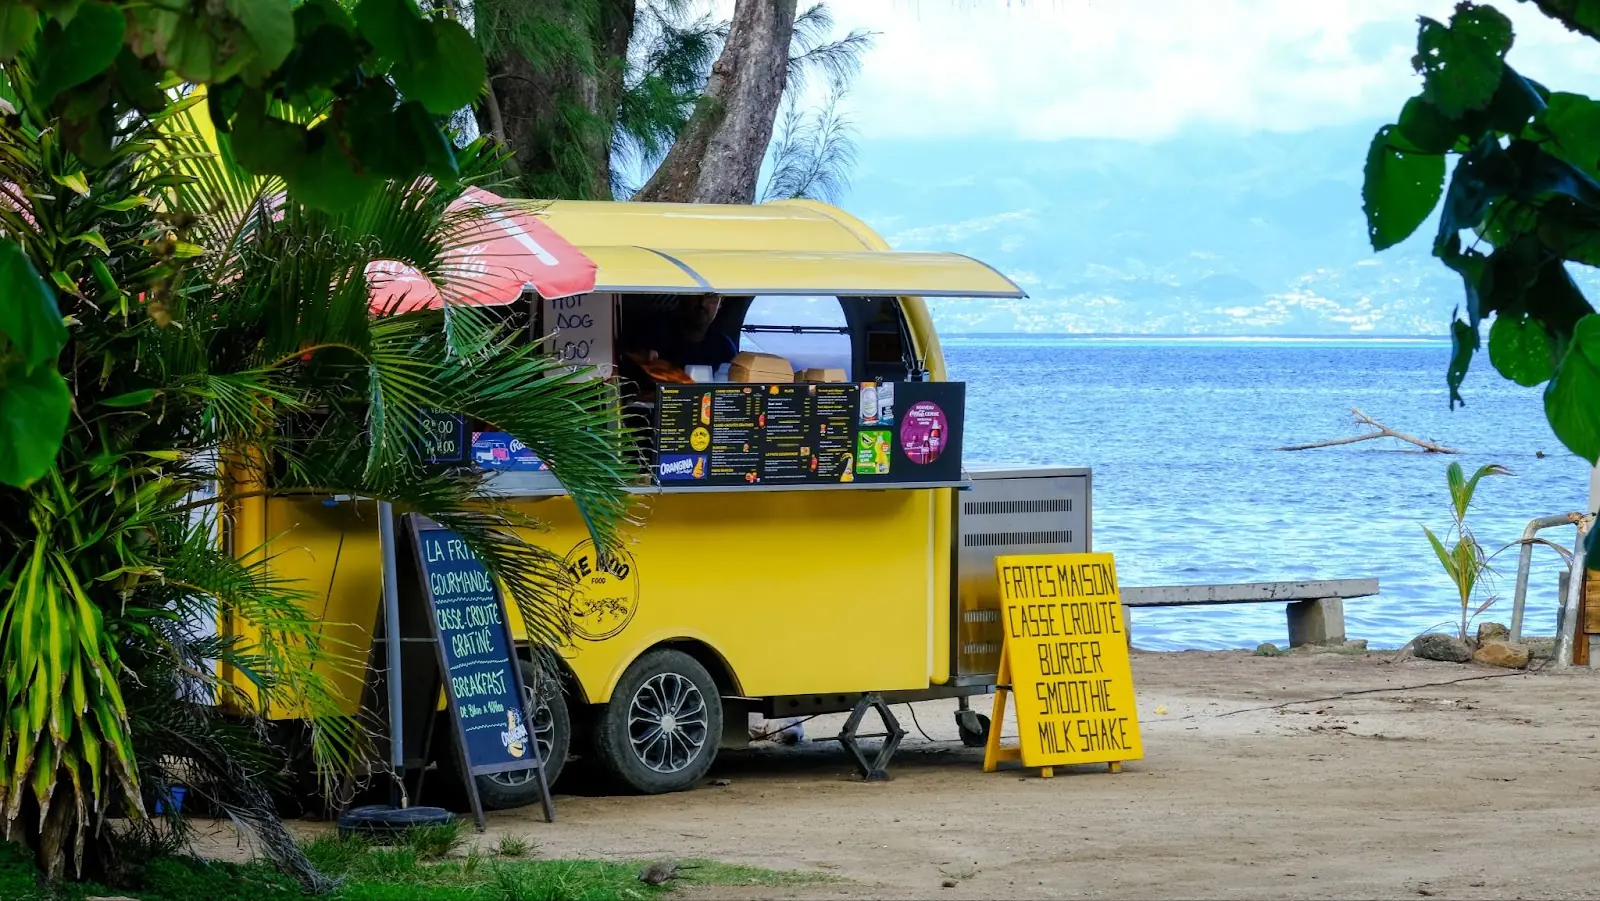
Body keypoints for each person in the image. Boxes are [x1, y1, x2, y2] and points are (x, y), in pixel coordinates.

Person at [624, 296, 738, 371]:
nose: (702, 303)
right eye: (696, 295)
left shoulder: (724, 348)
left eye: (711, 298)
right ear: (683, 297)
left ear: (720, 303)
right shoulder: (653, 331)